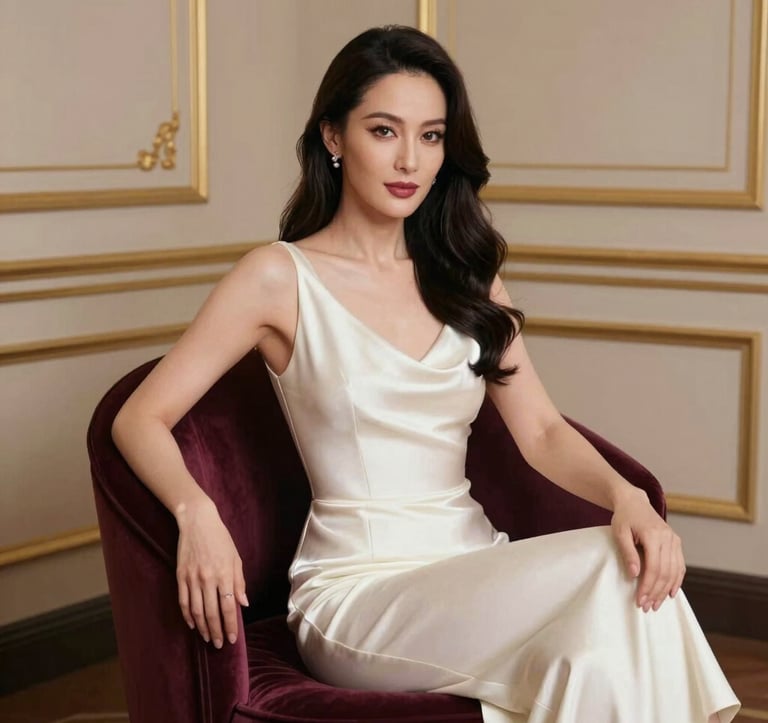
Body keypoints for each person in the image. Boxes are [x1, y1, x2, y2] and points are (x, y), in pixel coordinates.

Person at [111, 24, 740, 723]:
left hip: (474, 566)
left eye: (432, 136)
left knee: (591, 652)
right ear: (333, 137)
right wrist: (196, 511)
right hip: (356, 592)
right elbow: (138, 417)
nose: (410, 158)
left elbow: (540, 430)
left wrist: (627, 496)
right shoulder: (278, 277)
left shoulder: (467, 275)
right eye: (384, 130)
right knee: (611, 573)